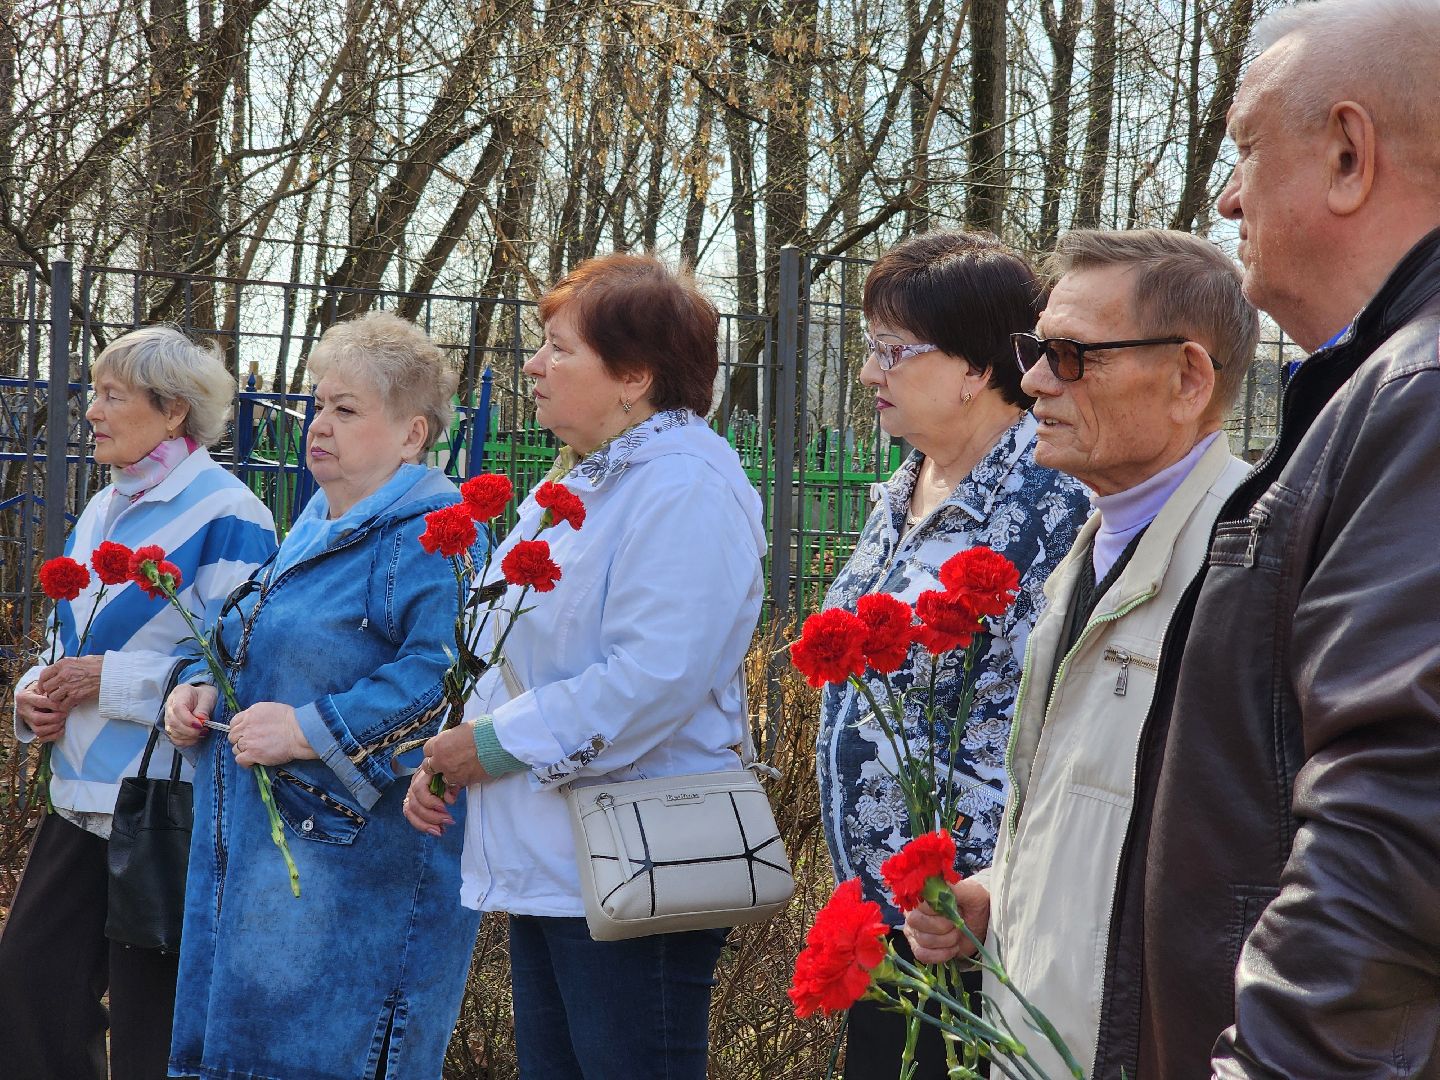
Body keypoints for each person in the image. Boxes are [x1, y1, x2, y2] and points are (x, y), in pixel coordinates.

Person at [1113, 1, 1440, 1075]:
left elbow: (1400, 821)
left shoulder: (1423, 397)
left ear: (1350, 154)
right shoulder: (1381, 387)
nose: (1227, 195)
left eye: (1249, 147)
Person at [903, 228, 1259, 1077]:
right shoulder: (1095, 545)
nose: (1030, 381)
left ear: (1187, 379)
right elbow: (1091, 810)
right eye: (1035, 349)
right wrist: (996, 893)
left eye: (1070, 355)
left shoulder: (1249, 567)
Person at [402, 253, 764, 1080]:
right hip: (558, 860)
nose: (533, 365)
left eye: (560, 349)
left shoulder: (684, 488)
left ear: (634, 376)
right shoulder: (588, 477)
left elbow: (655, 676)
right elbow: (512, 643)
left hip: (638, 863)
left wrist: (492, 747)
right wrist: (455, 752)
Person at [163, 311, 481, 1080]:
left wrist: (310, 729)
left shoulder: (435, 535)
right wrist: (196, 684)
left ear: (412, 435)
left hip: (358, 874)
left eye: (346, 409)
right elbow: (237, 634)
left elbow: (449, 679)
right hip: (258, 867)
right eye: (316, 404)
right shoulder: (312, 523)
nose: (318, 425)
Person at [815, 231, 1090, 1078]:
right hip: (882, 914)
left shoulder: (1051, 503)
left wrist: (981, 888)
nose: (871, 373)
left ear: (976, 368)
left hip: (976, 921)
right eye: (871, 349)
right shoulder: (902, 489)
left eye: (894, 352)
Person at [0, 327, 277, 1080]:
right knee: (29, 993)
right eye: (95, 392)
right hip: (78, 803)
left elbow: (238, 669)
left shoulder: (232, 515)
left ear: (173, 411)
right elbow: (69, 644)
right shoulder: (103, 508)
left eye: (111, 395)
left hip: (162, 811)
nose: (91, 411)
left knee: (151, 1028)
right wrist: (37, 696)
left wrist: (108, 683)